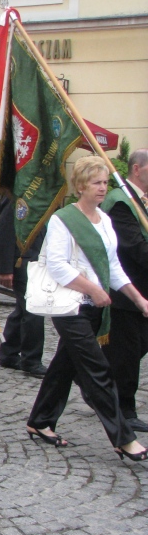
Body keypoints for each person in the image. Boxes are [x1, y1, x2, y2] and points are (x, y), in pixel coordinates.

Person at [26, 156, 148, 461]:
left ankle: (40, 421)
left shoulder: (104, 220)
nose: (103, 188)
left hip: (96, 308)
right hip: (70, 307)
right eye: (96, 182)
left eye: (105, 182)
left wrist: (138, 299)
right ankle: (123, 438)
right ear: (80, 186)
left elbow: (114, 266)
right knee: (98, 369)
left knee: (64, 366)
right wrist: (93, 289)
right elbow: (57, 265)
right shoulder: (63, 219)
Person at [100, 148, 148, 433]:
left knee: (135, 347)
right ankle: (124, 409)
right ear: (137, 169)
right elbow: (133, 247)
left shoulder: (141, 201)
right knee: (127, 352)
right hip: (125, 291)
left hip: (142, 290)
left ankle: (97, 380)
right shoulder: (121, 202)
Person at [0, 195, 47, 377]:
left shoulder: (44, 199)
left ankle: (9, 353)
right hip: (23, 263)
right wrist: (5, 269)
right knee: (34, 311)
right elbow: (6, 233)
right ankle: (31, 360)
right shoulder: (17, 200)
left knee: (22, 310)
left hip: (39, 262)